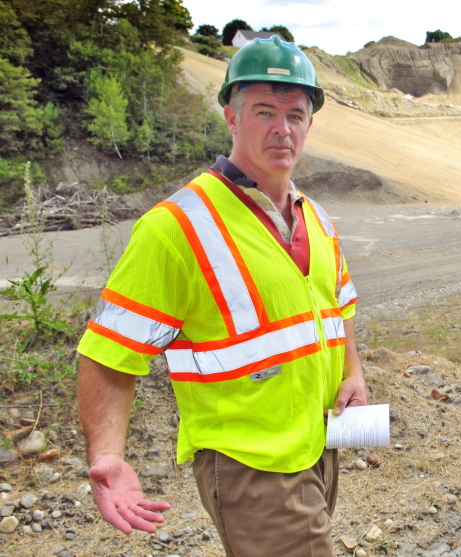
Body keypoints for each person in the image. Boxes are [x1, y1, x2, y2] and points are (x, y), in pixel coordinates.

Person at [76, 37, 366, 556]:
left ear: (309, 124)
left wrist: (353, 375)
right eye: (264, 112)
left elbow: (337, 309)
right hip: (248, 464)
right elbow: (108, 352)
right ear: (232, 118)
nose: (282, 128)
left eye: (295, 114)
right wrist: (108, 453)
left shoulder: (315, 217)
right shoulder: (176, 227)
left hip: (319, 446)